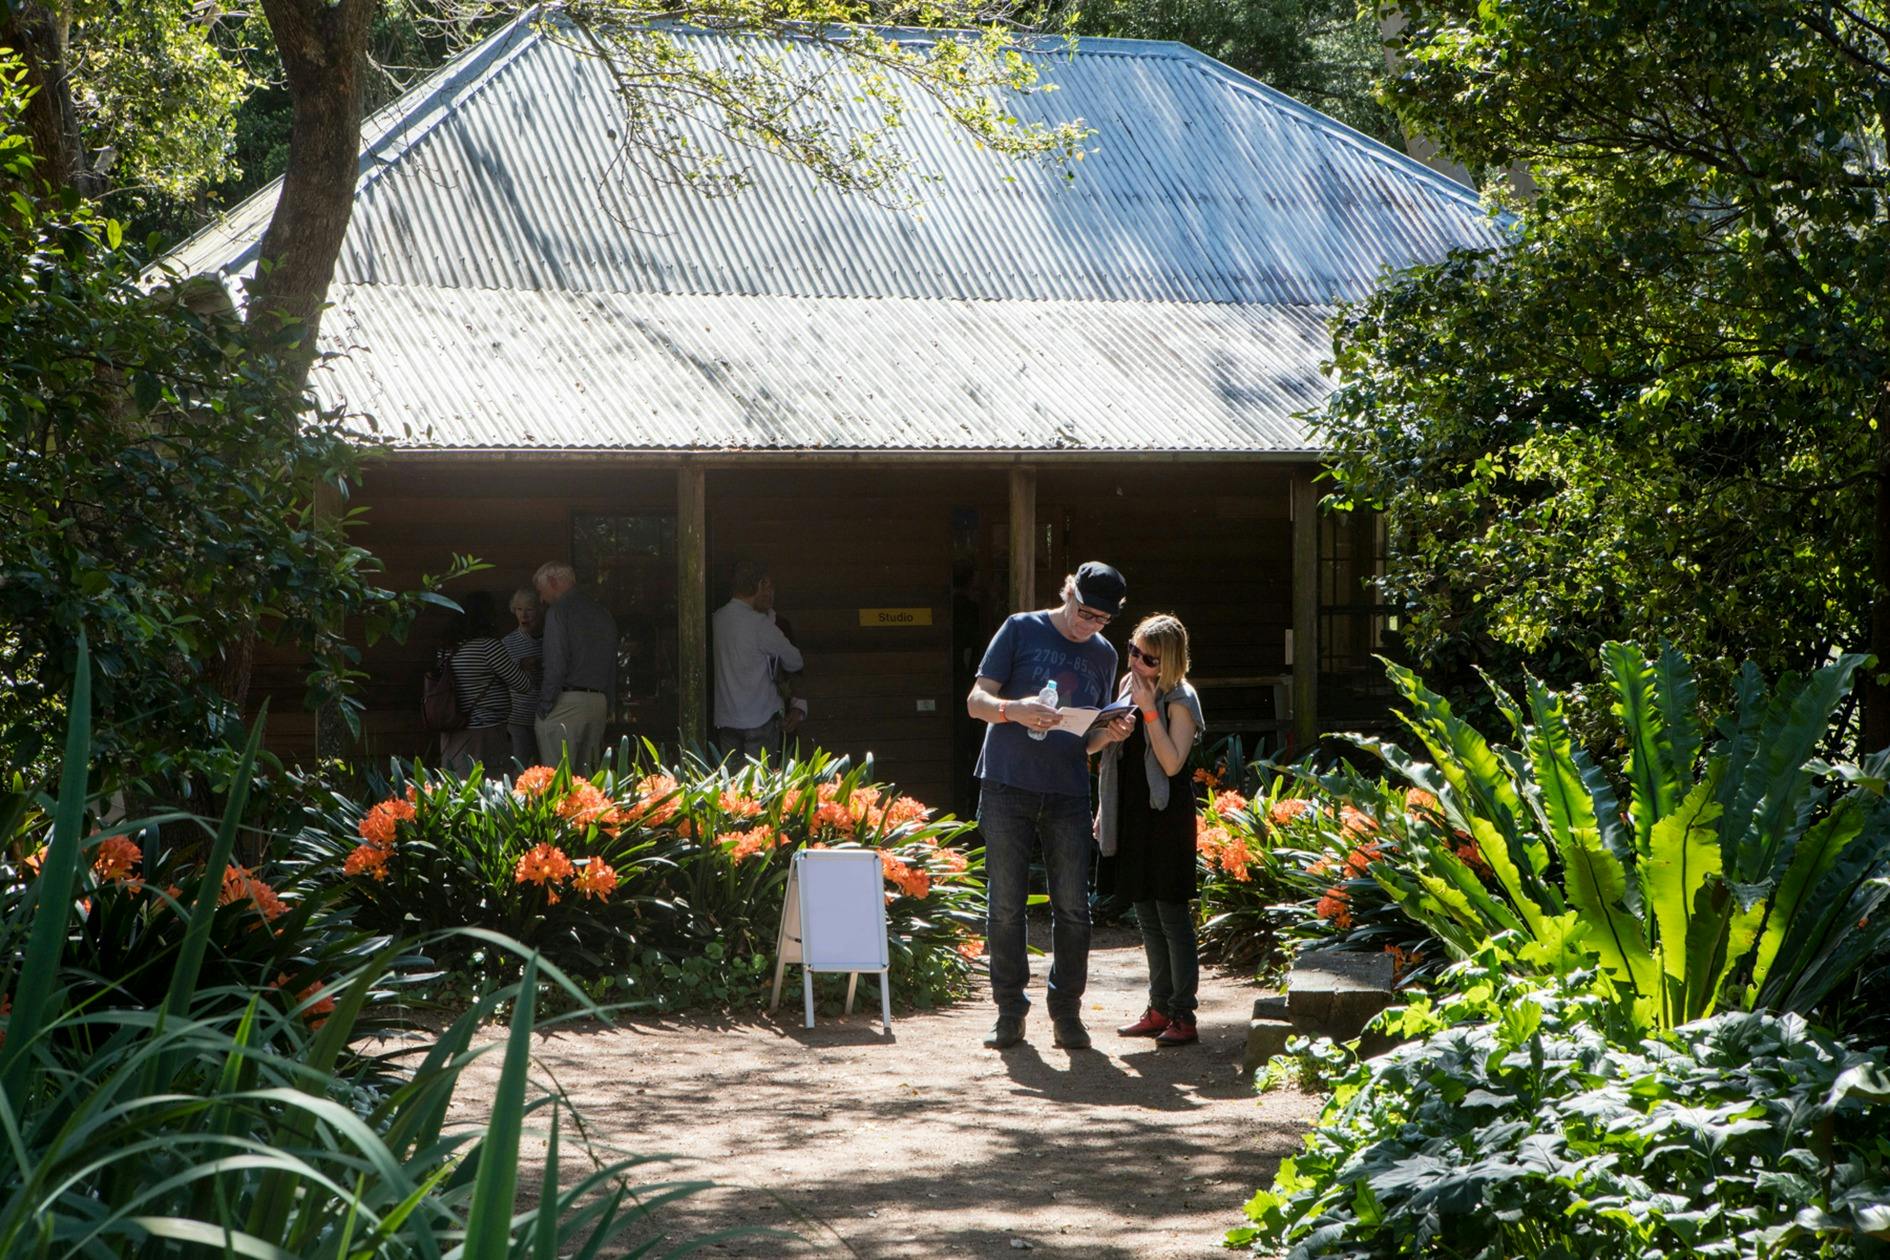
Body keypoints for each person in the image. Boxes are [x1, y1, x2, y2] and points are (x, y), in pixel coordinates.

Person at [967, 561, 1136, 1051]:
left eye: (1102, 620)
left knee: (1073, 908)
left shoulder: (1104, 655)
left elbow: (1084, 739)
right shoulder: (1021, 628)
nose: (1089, 625)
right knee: (1005, 905)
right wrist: (1011, 710)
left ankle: (1067, 1013)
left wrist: (1110, 733)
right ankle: (1008, 1012)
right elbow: (976, 701)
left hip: (1065, 789)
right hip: (1006, 783)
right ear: (1067, 592)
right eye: (1084, 613)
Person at [1094, 614, 1206, 1047]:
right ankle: (1158, 1007)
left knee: (1172, 916)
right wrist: (1106, 808)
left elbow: (1173, 762)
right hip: (1132, 813)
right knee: (1145, 915)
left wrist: (1148, 712)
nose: (1137, 661)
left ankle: (1184, 1013)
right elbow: (1106, 751)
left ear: (1169, 661)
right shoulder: (1127, 685)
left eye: (1148, 657)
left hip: (1167, 816)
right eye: (1133, 650)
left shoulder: (1180, 697)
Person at [712, 559, 804, 761]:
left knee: (733, 788)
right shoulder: (759, 624)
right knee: (760, 787)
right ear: (759, 585)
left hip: (726, 719)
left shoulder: (717, 619)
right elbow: (796, 661)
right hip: (759, 718)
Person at [533, 561, 617, 775]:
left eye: (541, 591)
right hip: (598, 702)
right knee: (588, 783)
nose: (541, 599)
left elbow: (555, 663)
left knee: (557, 782)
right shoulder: (602, 613)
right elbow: (611, 665)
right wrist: (608, 704)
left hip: (566, 703)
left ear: (553, 582)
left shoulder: (558, 612)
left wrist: (544, 706)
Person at [438, 591, 533, 777]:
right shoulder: (488, 646)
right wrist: (526, 668)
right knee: (487, 786)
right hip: (485, 731)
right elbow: (522, 684)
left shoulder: (447, 648)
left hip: (452, 728)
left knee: (457, 785)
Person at [501, 587, 543, 767]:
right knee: (520, 767)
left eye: (529, 609)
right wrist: (519, 667)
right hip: (517, 718)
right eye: (519, 609)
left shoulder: (551, 640)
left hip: (546, 715)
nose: (524, 615)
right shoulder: (507, 643)